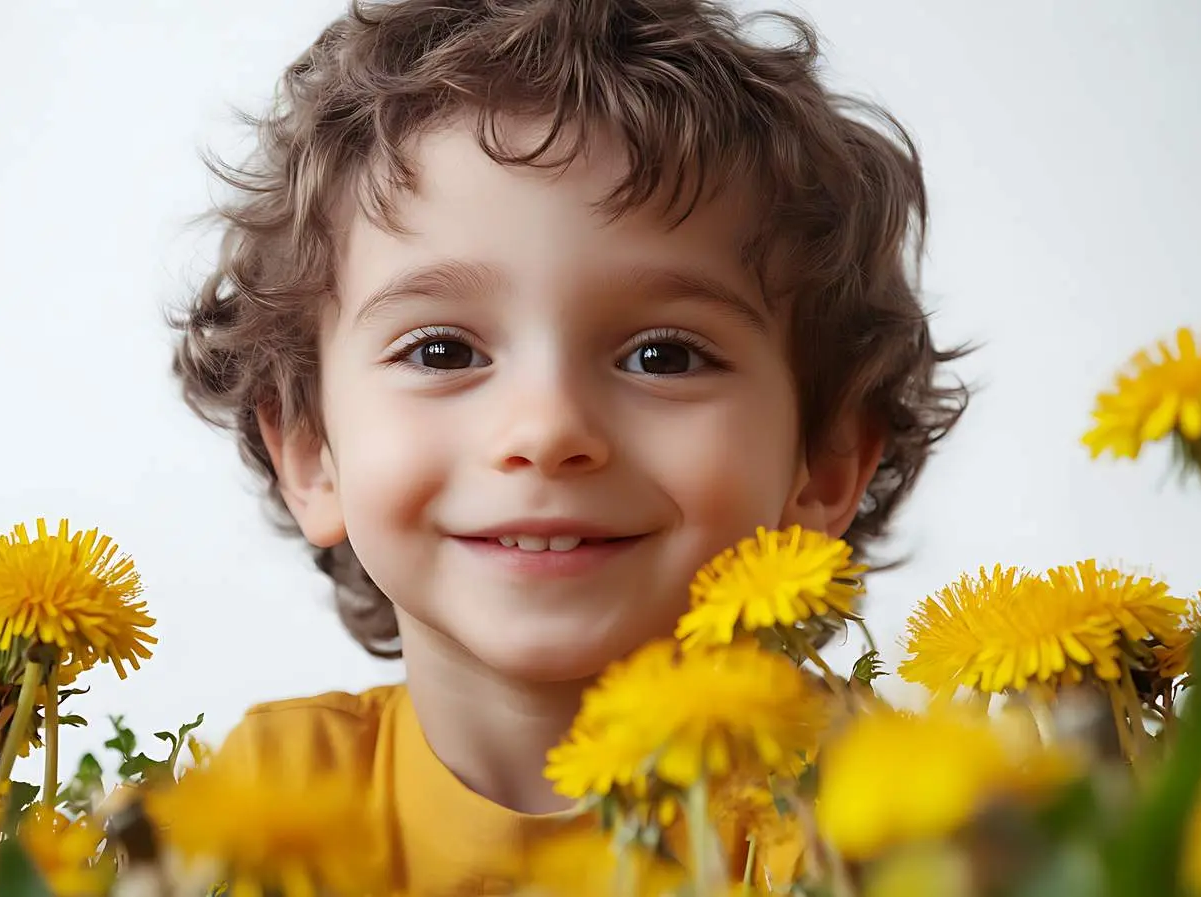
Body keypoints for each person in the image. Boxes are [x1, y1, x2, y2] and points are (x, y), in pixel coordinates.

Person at [171, 0, 965, 892]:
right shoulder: (267, 802)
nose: (547, 431)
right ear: (313, 452)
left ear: (821, 464)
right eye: (442, 351)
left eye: (662, 356)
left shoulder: (879, 818)